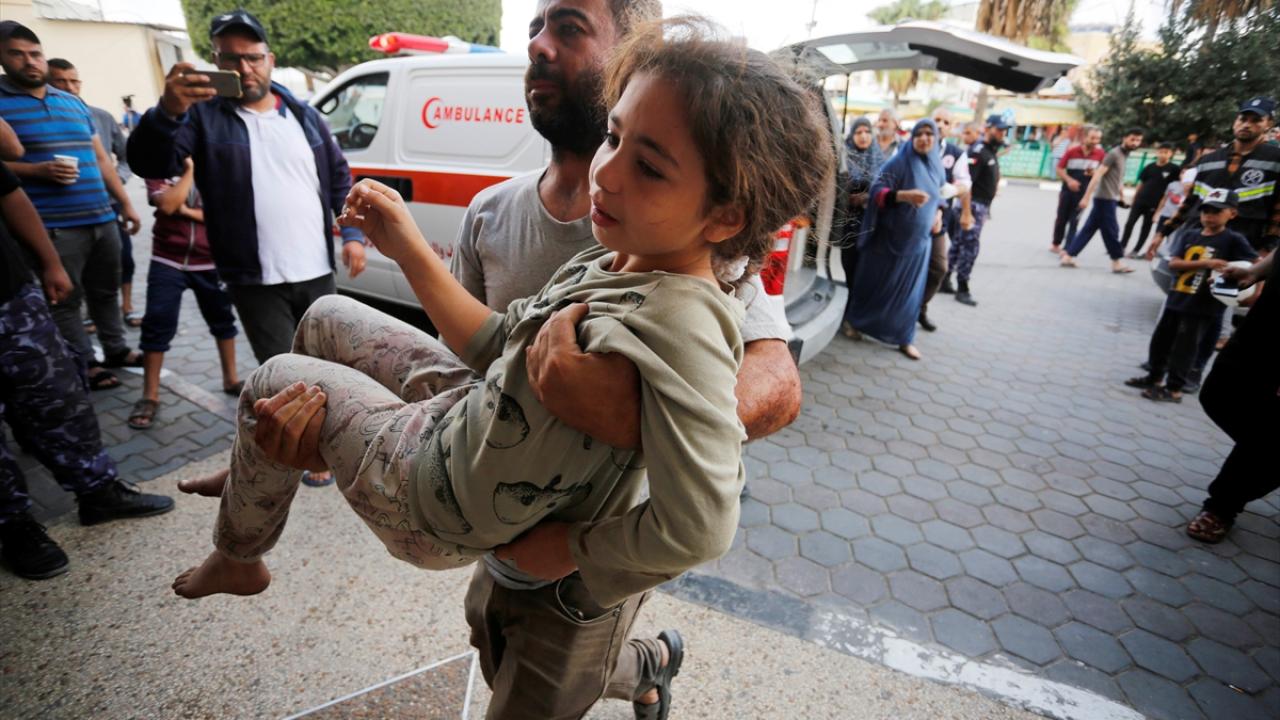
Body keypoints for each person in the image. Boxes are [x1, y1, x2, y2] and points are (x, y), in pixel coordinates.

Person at [170, 25, 829, 716]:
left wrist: (574, 546)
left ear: (725, 216)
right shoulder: (610, 256)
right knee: (327, 315)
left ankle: (239, 554)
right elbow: (496, 343)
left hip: (435, 496)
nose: (606, 173)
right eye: (613, 137)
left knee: (274, 377)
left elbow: (702, 524)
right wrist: (405, 244)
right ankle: (255, 470)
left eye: (650, 168)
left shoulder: (687, 320)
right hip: (472, 415)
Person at [127, 9, 366, 486]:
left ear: (270, 59)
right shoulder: (201, 118)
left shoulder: (303, 115)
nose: (244, 68)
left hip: (315, 269)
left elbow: (340, 178)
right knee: (286, 373)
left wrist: (354, 236)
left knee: (328, 363)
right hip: (254, 276)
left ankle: (329, 437)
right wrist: (167, 111)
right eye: (230, 58)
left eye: (253, 57)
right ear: (215, 62)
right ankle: (309, 453)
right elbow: (151, 162)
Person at [0, 156, 174, 580]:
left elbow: (9, 192)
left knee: (60, 397)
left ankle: (98, 492)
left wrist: (50, 262)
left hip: (9, 294)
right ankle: (13, 526)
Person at [0, 21, 144, 390]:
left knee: (105, 291)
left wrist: (125, 203)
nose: (29, 62)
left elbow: (101, 159)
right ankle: (86, 363)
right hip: (52, 226)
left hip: (101, 216)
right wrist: (37, 170)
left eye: (35, 54)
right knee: (65, 299)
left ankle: (115, 348)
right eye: (17, 54)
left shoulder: (72, 102)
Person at [1147, 97, 1279, 392]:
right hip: (1199, 244)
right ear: (1235, 121)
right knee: (1176, 307)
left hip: (1240, 253)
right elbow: (1190, 203)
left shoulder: (1275, 160)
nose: (1247, 124)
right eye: (1243, 118)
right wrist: (1162, 233)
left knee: (1214, 314)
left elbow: (1277, 214)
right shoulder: (1210, 160)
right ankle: (1160, 364)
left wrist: (1263, 259)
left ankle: (1193, 371)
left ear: (1268, 124)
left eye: (1256, 120)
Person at [127, 157, 242, 430]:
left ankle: (231, 380)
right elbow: (167, 204)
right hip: (167, 260)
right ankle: (150, 395)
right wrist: (190, 170)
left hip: (211, 261)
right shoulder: (158, 166)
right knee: (157, 323)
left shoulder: (218, 164)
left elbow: (226, 216)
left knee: (223, 320)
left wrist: (186, 211)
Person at [1125, 190, 1256, 403]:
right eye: (1205, 211)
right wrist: (1207, 263)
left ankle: (1174, 389)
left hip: (1203, 305)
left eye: (1216, 212)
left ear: (1232, 213)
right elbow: (1174, 263)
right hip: (1177, 298)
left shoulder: (1234, 240)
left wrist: (1242, 283)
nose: (1209, 216)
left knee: (1185, 347)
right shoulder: (1190, 235)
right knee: (1161, 342)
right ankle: (1154, 377)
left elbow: (1253, 265)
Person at [1184, 249, 1278, 542]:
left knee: (1268, 430)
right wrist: (1255, 272)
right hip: (1265, 325)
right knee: (1217, 393)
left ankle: (1222, 506)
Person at [46, 57, 142, 328]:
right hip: (62, 212)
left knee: (122, 260)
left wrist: (118, 183)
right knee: (76, 271)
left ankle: (127, 307)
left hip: (107, 205)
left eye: (74, 81)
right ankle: (87, 316)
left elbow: (124, 157)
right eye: (60, 81)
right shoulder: (42, 116)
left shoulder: (100, 116)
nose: (69, 87)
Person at [842, 119, 944, 360]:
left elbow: (939, 194)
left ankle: (904, 337)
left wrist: (939, 213)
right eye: (919, 133)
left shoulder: (936, 166)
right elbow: (878, 192)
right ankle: (856, 322)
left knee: (909, 294)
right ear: (912, 137)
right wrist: (903, 196)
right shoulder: (899, 163)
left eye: (929, 134)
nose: (924, 138)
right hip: (887, 242)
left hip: (918, 245)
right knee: (874, 286)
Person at [944, 115, 1009, 306]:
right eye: (999, 129)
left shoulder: (988, 150)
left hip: (979, 206)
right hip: (972, 206)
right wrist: (967, 212)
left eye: (1004, 130)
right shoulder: (978, 151)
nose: (1002, 133)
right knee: (969, 247)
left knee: (958, 244)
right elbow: (966, 184)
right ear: (987, 129)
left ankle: (944, 279)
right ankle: (962, 287)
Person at [1060, 127, 1144, 272]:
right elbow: (1098, 175)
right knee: (1112, 230)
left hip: (1110, 198)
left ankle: (1068, 256)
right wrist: (1086, 197)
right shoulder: (1114, 154)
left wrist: (1122, 196)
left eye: (1138, 140)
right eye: (1132, 139)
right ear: (1124, 138)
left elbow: (1117, 179)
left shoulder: (1124, 155)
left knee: (1089, 228)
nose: (1135, 143)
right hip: (1105, 198)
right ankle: (1116, 262)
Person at [918, 107, 971, 332]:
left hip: (938, 222)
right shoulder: (913, 146)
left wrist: (951, 192)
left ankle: (920, 308)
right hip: (910, 219)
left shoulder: (955, 154)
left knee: (938, 267)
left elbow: (964, 184)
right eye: (936, 119)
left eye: (945, 122)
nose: (940, 125)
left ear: (951, 128)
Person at [839, 117, 883, 300]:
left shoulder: (880, 159)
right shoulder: (843, 157)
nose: (863, 136)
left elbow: (885, 189)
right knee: (850, 266)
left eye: (867, 131)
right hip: (848, 224)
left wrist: (868, 197)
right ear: (852, 135)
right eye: (858, 132)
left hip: (872, 224)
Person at [1050, 125, 1103, 254]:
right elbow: (1059, 168)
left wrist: (1094, 173)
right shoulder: (1072, 151)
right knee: (1061, 218)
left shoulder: (1100, 154)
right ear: (1085, 137)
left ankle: (1068, 248)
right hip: (1067, 191)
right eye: (1092, 138)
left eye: (1098, 139)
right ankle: (1056, 243)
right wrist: (1069, 181)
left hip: (1083, 193)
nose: (1095, 141)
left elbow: (1101, 172)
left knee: (1075, 221)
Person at [1122, 142, 1180, 258]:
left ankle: (1136, 250)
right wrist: (1134, 197)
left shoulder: (1174, 169)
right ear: (1157, 152)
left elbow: (1176, 187)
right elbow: (1141, 183)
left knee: (1146, 227)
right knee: (1129, 223)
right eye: (1161, 152)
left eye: (1166, 152)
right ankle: (1121, 246)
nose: (1163, 154)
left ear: (1171, 154)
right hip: (1140, 200)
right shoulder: (1150, 166)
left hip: (1155, 203)